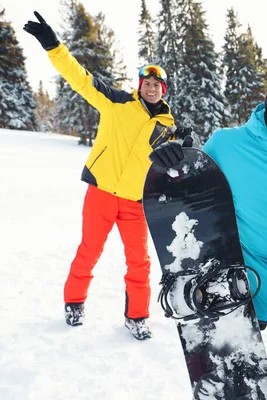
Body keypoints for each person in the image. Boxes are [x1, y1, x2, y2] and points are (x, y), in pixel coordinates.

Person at [24, 11, 190, 340]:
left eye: (158, 84)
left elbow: (181, 165)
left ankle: (137, 317)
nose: (152, 88)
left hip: (135, 202)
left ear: (164, 89)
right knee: (89, 250)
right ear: (140, 84)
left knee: (139, 262)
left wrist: (188, 146)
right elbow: (80, 78)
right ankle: (74, 302)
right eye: (147, 83)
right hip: (101, 193)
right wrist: (54, 46)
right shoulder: (116, 102)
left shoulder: (169, 127)